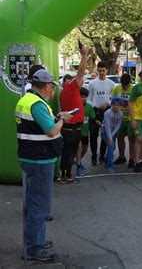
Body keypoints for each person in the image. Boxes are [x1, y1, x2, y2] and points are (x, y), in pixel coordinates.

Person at [16, 69, 73, 262]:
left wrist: (57, 118)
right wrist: (63, 120)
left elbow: (40, 125)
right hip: (40, 160)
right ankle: (34, 248)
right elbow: (50, 131)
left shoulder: (27, 100)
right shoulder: (38, 104)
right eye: (52, 87)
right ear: (47, 86)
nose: (53, 91)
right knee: (39, 206)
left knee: (32, 204)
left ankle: (33, 242)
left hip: (30, 158)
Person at [58, 45, 88, 184]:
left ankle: (65, 174)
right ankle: (66, 176)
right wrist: (84, 55)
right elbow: (81, 72)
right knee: (69, 152)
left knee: (68, 151)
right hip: (71, 127)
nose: (81, 81)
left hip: (70, 127)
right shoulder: (70, 88)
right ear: (67, 82)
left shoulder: (65, 92)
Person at [87, 61, 115, 165]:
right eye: (100, 71)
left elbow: (113, 98)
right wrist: (94, 106)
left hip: (106, 112)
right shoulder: (92, 83)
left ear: (107, 70)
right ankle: (94, 155)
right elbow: (89, 98)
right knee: (93, 136)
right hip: (94, 111)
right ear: (97, 70)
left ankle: (102, 156)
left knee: (105, 135)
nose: (102, 72)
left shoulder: (111, 84)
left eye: (103, 70)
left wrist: (107, 103)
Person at [111, 73, 134, 166]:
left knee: (131, 139)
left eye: (126, 85)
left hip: (129, 117)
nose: (125, 87)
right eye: (123, 85)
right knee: (120, 138)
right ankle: (121, 156)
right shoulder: (116, 88)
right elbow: (113, 101)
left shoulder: (133, 89)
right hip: (120, 117)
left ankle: (132, 158)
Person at [100, 97, 123, 174]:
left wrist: (112, 136)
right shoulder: (107, 113)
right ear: (111, 105)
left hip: (113, 132)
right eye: (114, 105)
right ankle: (110, 165)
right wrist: (110, 138)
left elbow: (118, 126)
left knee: (112, 148)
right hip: (105, 132)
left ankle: (107, 160)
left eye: (118, 105)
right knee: (111, 146)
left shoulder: (120, 113)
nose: (116, 106)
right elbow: (107, 126)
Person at [77, 88, 96, 177]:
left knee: (84, 148)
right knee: (79, 148)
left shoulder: (89, 107)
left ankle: (78, 160)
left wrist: (97, 121)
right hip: (76, 132)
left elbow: (92, 118)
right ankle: (78, 166)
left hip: (85, 132)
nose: (83, 98)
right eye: (81, 96)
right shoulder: (75, 106)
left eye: (85, 97)